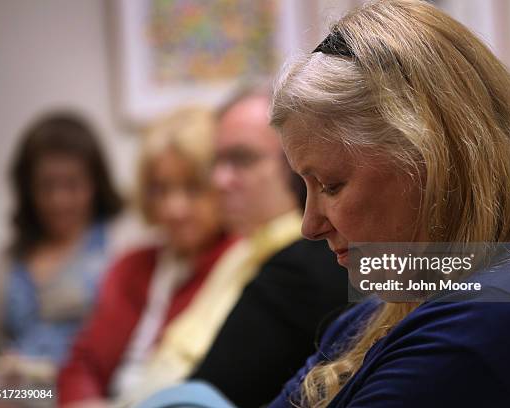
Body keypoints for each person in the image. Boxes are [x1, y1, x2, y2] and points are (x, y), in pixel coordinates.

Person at [265, 0, 510, 407]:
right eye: (307, 188)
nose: (310, 225)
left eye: (332, 185)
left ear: (433, 159)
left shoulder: (489, 318)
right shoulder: (402, 296)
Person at [134, 90, 349, 408]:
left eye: (241, 159)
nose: (219, 180)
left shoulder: (300, 266)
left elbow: (211, 392)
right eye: (217, 162)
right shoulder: (243, 249)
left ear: (297, 163)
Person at [57, 108, 234, 407]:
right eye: (160, 190)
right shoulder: (131, 265)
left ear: (220, 186)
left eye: (192, 189)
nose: (173, 208)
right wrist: (83, 401)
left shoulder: (237, 261)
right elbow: (84, 362)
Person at [0, 112, 123, 387]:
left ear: (95, 183)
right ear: (27, 188)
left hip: (85, 394)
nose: (58, 200)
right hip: (14, 392)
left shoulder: (119, 250)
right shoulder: (6, 261)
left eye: (72, 185)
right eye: (46, 186)